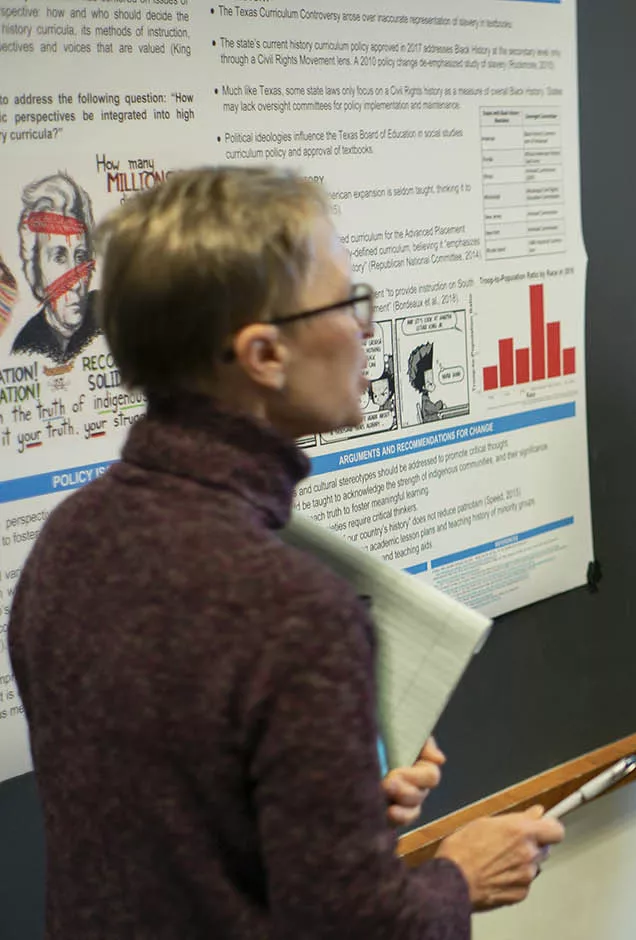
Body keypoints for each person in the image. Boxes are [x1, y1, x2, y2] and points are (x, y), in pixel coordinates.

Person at [9, 166, 563, 938]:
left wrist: (330, 805)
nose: (367, 327)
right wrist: (459, 878)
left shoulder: (68, 541)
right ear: (265, 355)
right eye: (346, 302)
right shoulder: (295, 612)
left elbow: (167, 828)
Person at [11, 171, 101, 363]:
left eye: (80, 256)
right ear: (35, 271)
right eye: (59, 258)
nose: (76, 283)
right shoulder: (25, 347)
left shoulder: (110, 317)